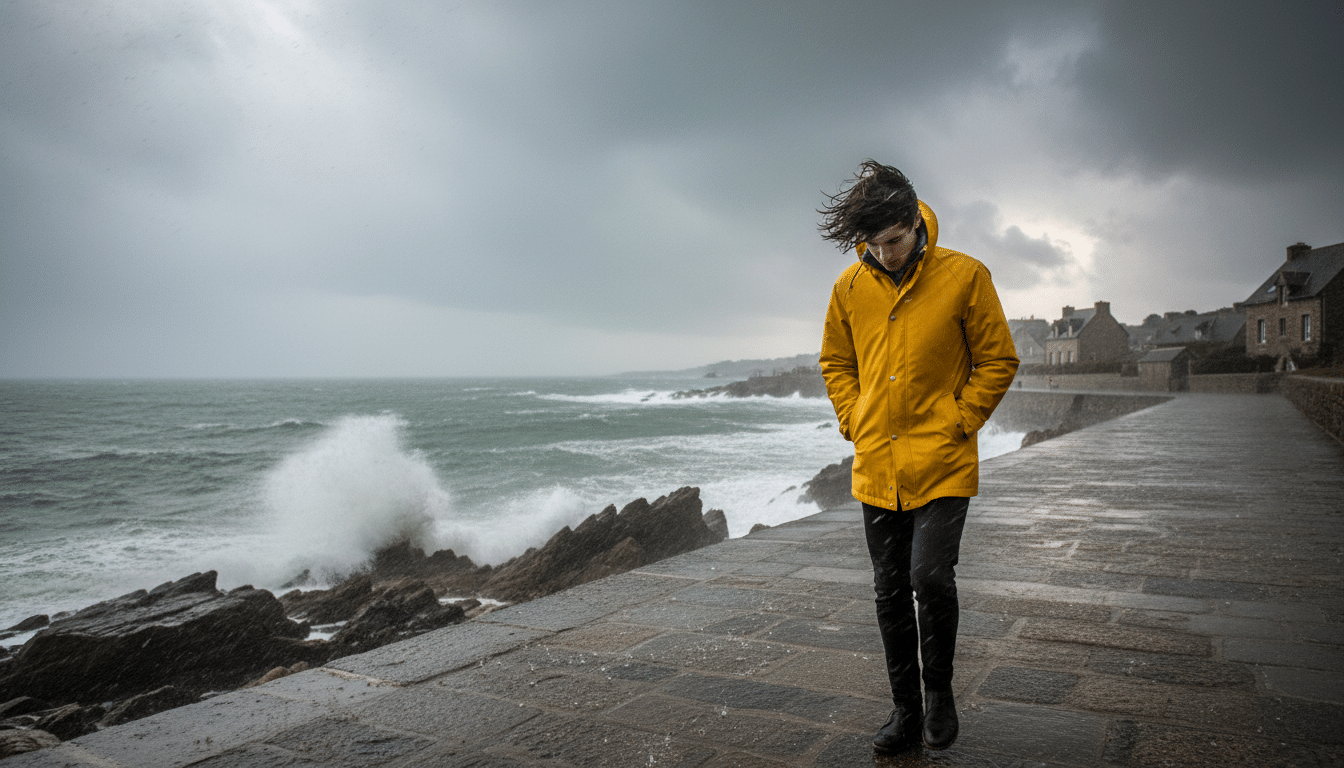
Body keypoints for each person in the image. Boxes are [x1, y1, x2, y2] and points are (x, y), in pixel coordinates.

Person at [817, 161, 1018, 755]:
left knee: (928, 576)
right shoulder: (848, 287)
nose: (886, 255)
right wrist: (854, 418)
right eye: (874, 246)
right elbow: (835, 362)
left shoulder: (965, 275)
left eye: (895, 241)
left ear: (916, 223)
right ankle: (905, 711)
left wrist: (959, 421)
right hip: (877, 463)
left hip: (943, 460)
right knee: (887, 590)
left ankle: (941, 696)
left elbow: (998, 360)